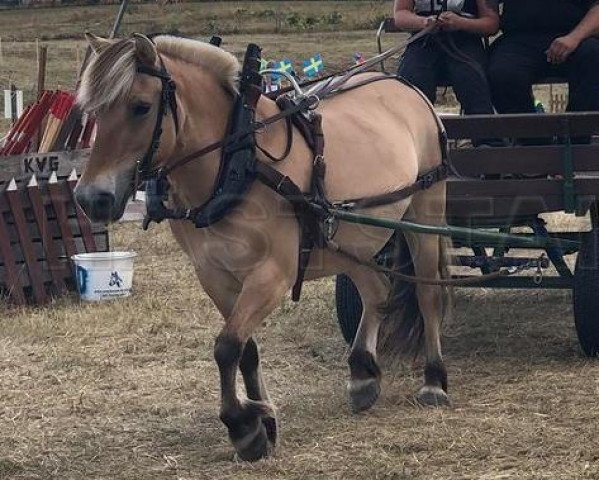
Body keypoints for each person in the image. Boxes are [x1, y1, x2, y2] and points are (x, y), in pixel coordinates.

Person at [488, 1, 599, 115]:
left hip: (575, 36)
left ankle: (576, 128)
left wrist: (574, 37)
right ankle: (530, 130)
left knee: (594, 57)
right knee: (502, 74)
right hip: (519, 38)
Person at [394, 0, 500, 116]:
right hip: (424, 40)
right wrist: (423, 22)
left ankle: (482, 130)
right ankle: (415, 127)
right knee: (412, 82)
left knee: (472, 82)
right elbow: (400, 14)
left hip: (465, 41)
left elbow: (491, 23)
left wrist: (461, 23)